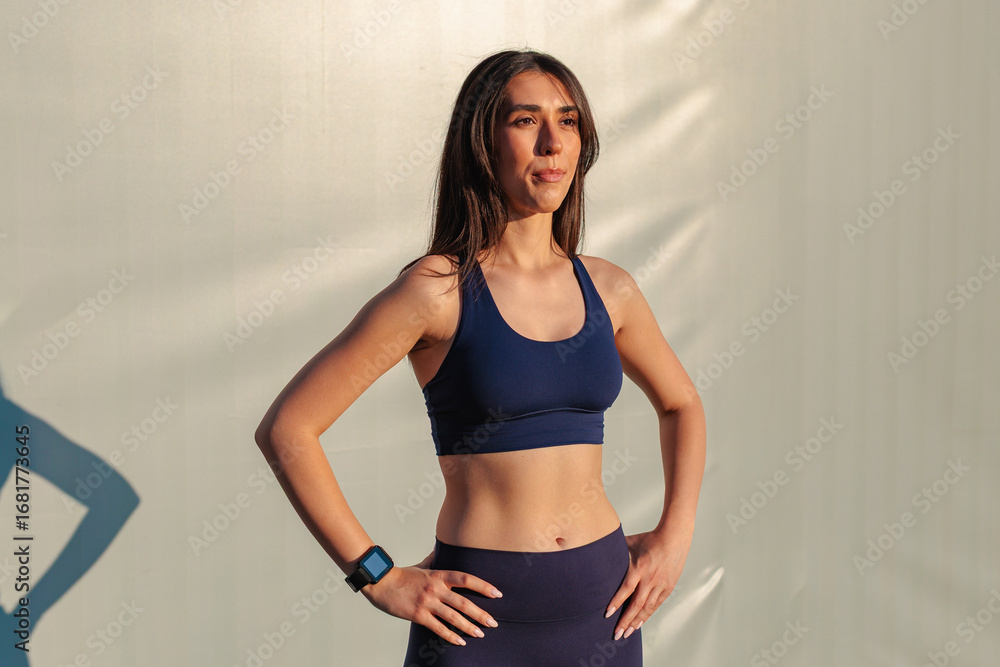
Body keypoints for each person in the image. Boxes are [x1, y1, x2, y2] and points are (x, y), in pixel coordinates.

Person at [255, 48, 706, 666]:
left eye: (568, 121)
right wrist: (379, 576)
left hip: (603, 614)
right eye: (525, 121)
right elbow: (288, 429)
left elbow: (682, 405)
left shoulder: (610, 289)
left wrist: (675, 537)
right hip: (476, 625)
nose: (552, 142)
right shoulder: (436, 292)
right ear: (482, 142)